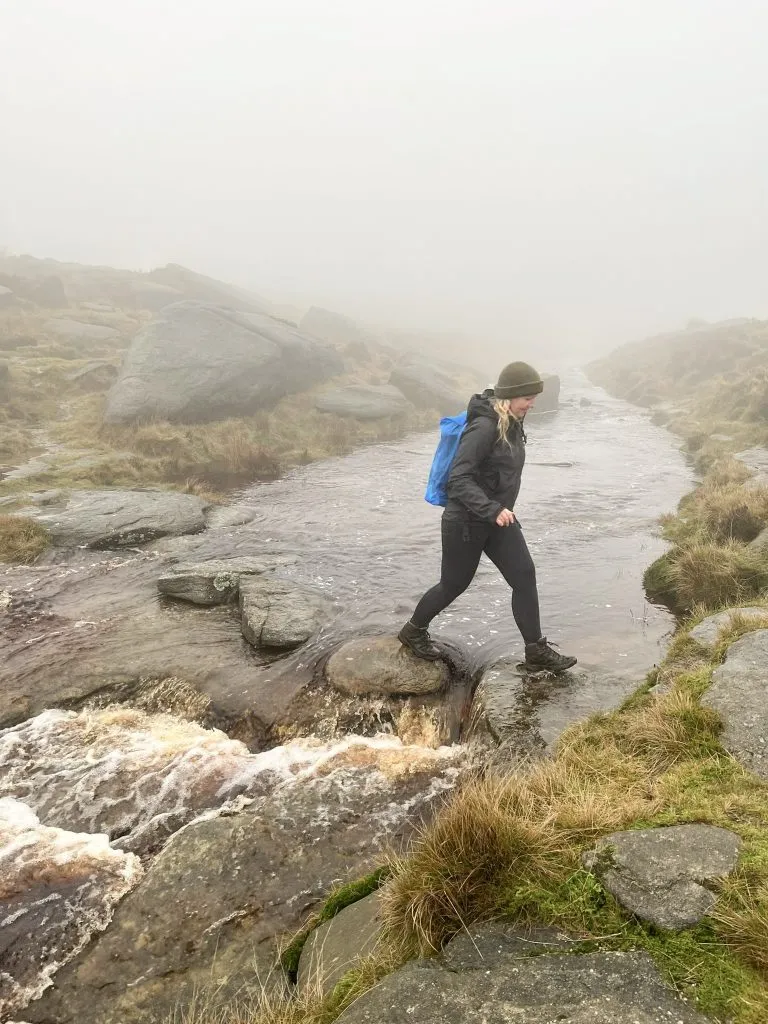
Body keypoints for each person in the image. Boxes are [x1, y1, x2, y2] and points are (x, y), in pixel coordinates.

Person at [398, 360, 577, 674]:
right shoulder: (484, 426)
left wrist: (498, 511)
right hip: (466, 520)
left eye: (534, 397)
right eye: (528, 397)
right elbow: (458, 479)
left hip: (497, 520)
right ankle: (413, 631)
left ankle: (536, 651)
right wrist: (493, 508)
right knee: (453, 584)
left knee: (524, 575)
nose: (532, 403)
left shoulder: (511, 420)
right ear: (510, 395)